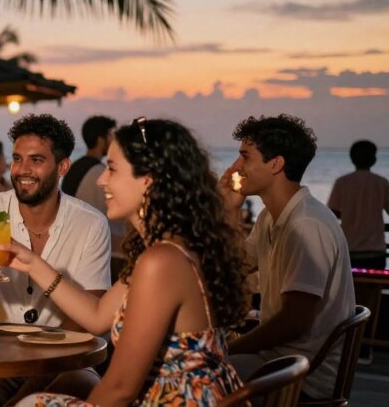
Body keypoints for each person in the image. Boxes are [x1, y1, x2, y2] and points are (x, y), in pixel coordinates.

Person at [15, 118, 248, 406]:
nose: (101, 179)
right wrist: (31, 263)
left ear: (148, 179)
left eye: (112, 169)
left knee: (31, 403)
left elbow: (121, 388)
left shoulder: (161, 262)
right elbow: (97, 315)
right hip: (197, 397)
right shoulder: (174, 249)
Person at [0, 114, 111, 405]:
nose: (22, 170)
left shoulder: (90, 223)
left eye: (36, 160)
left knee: (80, 385)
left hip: (66, 360)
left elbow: (87, 319)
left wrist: (28, 390)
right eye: (17, 159)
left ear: (63, 167)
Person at [222, 114, 355, 400]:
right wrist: (231, 210)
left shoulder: (307, 225)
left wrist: (228, 348)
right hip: (277, 359)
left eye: (245, 157)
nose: (235, 167)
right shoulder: (272, 217)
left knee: (192, 373)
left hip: (301, 375)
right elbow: (234, 268)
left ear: (276, 164)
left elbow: (294, 322)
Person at [62, 116, 127, 272]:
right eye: (110, 135)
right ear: (101, 140)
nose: (113, 140)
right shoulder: (98, 173)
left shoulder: (74, 168)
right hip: (102, 257)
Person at [328, 140, 389, 271]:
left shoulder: (342, 182)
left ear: (352, 159)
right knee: (374, 289)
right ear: (374, 159)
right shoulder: (381, 182)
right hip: (375, 250)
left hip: (349, 249)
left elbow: (333, 213)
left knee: (350, 290)